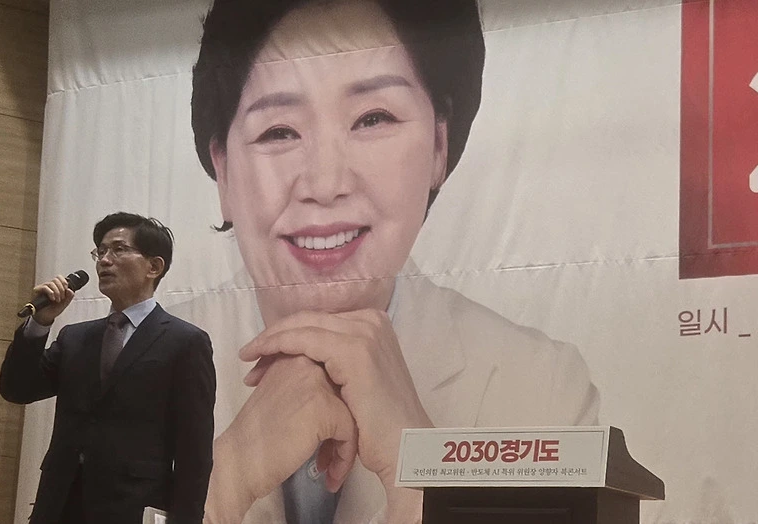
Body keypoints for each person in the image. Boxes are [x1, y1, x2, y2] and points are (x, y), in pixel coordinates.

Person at [186, 0, 600, 522]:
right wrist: (225, 477)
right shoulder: (131, 375)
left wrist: (421, 470)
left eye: (372, 119)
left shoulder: (541, 384)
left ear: (438, 148)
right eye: (279, 131)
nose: (325, 184)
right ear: (223, 171)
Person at [0, 212, 217, 524]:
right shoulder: (75, 338)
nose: (104, 260)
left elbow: (194, 452)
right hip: (58, 506)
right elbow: (17, 389)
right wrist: (39, 322)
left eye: (118, 249)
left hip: (133, 509)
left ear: (154, 267)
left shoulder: (185, 342)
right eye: (100, 251)